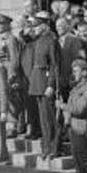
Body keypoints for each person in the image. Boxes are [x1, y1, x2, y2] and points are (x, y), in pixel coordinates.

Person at [26, 12, 60, 161]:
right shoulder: (38, 41)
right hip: (37, 82)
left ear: (44, 26)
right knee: (43, 120)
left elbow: (54, 65)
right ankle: (46, 148)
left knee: (49, 119)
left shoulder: (51, 41)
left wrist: (51, 84)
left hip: (45, 83)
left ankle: (53, 148)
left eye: (37, 26)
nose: (34, 28)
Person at [65, 58, 87, 173]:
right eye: (73, 71)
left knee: (83, 162)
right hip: (74, 127)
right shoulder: (76, 88)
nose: (74, 74)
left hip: (83, 127)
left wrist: (63, 106)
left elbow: (80, 109)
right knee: (77, 161)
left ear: (84, 72)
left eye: (76, 71)